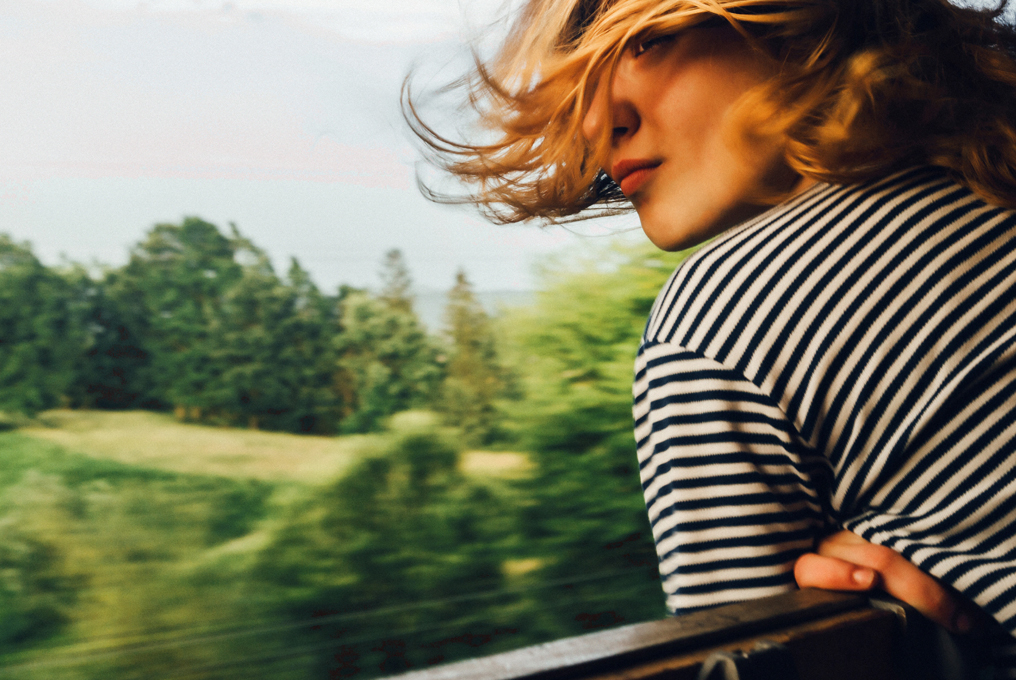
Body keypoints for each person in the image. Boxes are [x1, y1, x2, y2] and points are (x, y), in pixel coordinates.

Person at [406, 0, 1016, 672]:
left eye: (647, 42)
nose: (597, 121)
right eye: (581, 83)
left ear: (798, 19)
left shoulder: (716, 320)